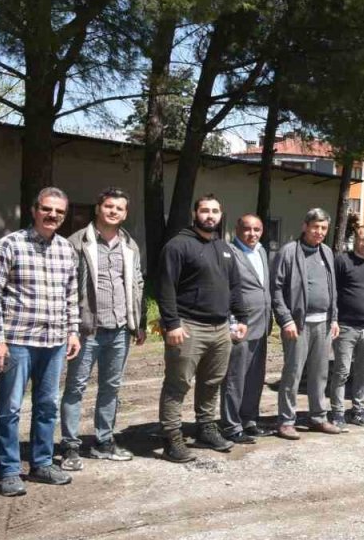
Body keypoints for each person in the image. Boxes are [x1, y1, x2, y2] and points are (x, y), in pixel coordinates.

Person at [0, 187, 82, 496]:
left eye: (59, 212)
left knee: (47, 406)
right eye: (47, 209)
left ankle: (41, 464)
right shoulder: (9, 245)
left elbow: (71, 296)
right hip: (17, 342)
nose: (53, 215)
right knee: (10, 409)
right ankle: (9, 470)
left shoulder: (66, 249)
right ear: (34, 209)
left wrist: (73, 330)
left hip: (54, 343)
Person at [156, 194, 248, 462]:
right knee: (177, 384)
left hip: (221, 328)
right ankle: (171, 437)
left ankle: (206, 427)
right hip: (188, 327)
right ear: (195, 214)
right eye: (205, 211)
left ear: (221, 215)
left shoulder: (225, 248)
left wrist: (240, 318)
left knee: (212, 382)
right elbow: (165, 288)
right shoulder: (178, 246)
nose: (210, 215)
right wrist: (172, 324)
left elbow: (234, 287)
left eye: (215, 211)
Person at [60, 187, 145, 471]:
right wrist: (72, 327)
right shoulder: (77, 243)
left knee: (111, 387)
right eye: (108, 206)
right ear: (98, 208)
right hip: (88, 331)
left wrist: (138, 321)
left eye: (119, 208)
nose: (113, 211)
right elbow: (67, 288)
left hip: (120, 329)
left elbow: (137, 284)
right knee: (75, 388)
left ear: (125, 213)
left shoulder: (130, 246)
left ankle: (104, 442)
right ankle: (70, 447)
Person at [272, 208, 341, 439]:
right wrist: (286, 319)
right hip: (297, 325)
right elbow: (276, 290)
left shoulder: (327, 252)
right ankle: (286, 421)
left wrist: (334, 318)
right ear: (305, 226)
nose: (319, 232)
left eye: (323, 228)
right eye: (315, 227)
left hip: (323, 325)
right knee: (293, 373)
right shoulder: (289, 252)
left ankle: (318, 417)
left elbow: (333, 290)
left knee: (320, 373)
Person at [220, 214, 273, 444]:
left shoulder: (261, 251)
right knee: (235, 377)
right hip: (240, 326)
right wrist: (232, 322)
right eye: (247, 229)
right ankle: (231, 425)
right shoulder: (229, 253)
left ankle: (249, 419)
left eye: (257, 229)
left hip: (261, 325)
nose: (252, 234)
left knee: (255, 376)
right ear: (237, 230)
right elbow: (226, 290)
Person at [330, 225, 364, 429]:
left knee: (363, 372)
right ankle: (337, 413)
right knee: (341, 372)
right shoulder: (342, 261)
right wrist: (334, 319)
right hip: (345, 327)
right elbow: (333, 292)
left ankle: (358, 412)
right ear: (355, 240)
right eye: (362, 239)